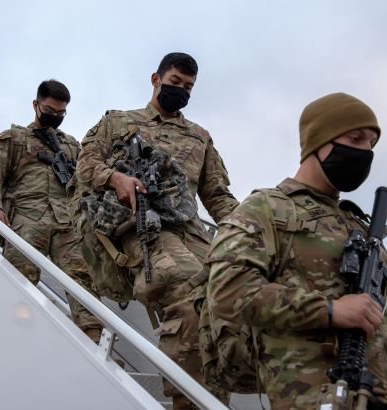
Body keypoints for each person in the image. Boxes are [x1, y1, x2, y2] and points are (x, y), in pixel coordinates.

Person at [206, 92, 387, 409]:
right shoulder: (268, 209)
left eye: (371, 144)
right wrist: (331, 310)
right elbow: (228, 291)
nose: (365, 152)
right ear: (318, 142)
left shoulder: (360, 228)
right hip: (325, 398)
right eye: (355, 139)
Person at [75, 52, 238, 409]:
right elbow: (85, 164)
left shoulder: (200, 137)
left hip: (191, 230)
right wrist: (114, 178)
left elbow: (217, 195)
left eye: (189, 87)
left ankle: (214, 400)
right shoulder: (118, 122)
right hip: (141, 222)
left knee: (226, 297)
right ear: (156, 79)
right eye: (176, 82)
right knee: (186, 287)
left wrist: (247, 229)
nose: (182, 91)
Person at [0, 79, 103, 342]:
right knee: (19, 277)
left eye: (61, 113)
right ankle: (11, 338)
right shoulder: (13, 139)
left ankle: (94, 340)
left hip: (66, 220)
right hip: (27, 215)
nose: (55, 116)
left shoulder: (71, 145)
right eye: (49, 110)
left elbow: (85, 182)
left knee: (83, 279)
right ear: (35, 105)